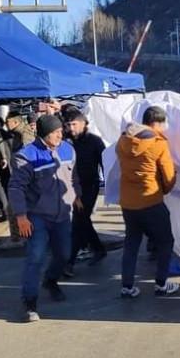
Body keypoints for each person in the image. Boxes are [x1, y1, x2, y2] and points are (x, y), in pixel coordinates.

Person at [8, 114, 80, 322]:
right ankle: (30, 302)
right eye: (55, 132)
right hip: (37, 216)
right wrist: (21, 216)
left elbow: (74, 176)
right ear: (44, 134)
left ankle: (51, 280)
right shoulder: (26, 156)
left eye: (60, 131)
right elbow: (16, 187)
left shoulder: (68, 149)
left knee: (64, 254)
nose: (60, 135)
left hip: (63, 214)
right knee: (36, 257)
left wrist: (77, 195)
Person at [117, 106, 180, 298]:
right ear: (157, 123)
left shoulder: (123, 140)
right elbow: (168, 176)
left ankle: (127, 287)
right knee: (165, 241)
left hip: (128, 203)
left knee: (132, 244)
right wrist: (166, 189)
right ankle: (161, 284)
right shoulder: (158, 143)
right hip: (150, 200)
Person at [63, 109, 107, 275]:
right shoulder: (66, 142)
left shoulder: (94, 141)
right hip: (72, 186)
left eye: (74, 124)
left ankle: (69, 261)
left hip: (90, 186)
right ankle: (98, 248)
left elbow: (105, 163)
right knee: (83, 220)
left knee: (78, 222)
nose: (71, 128)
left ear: (84, 123)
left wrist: (109, 186)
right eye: (68, 125)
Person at [0, 110, 36, 250]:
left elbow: (29, 156)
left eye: (8, 122)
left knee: (14, 208)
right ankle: (21, 236)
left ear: (16, 122)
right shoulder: (18, 134)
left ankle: (19, 237)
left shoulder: (25, 134)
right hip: (22, 177)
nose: (6, 125)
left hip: (25, 179)